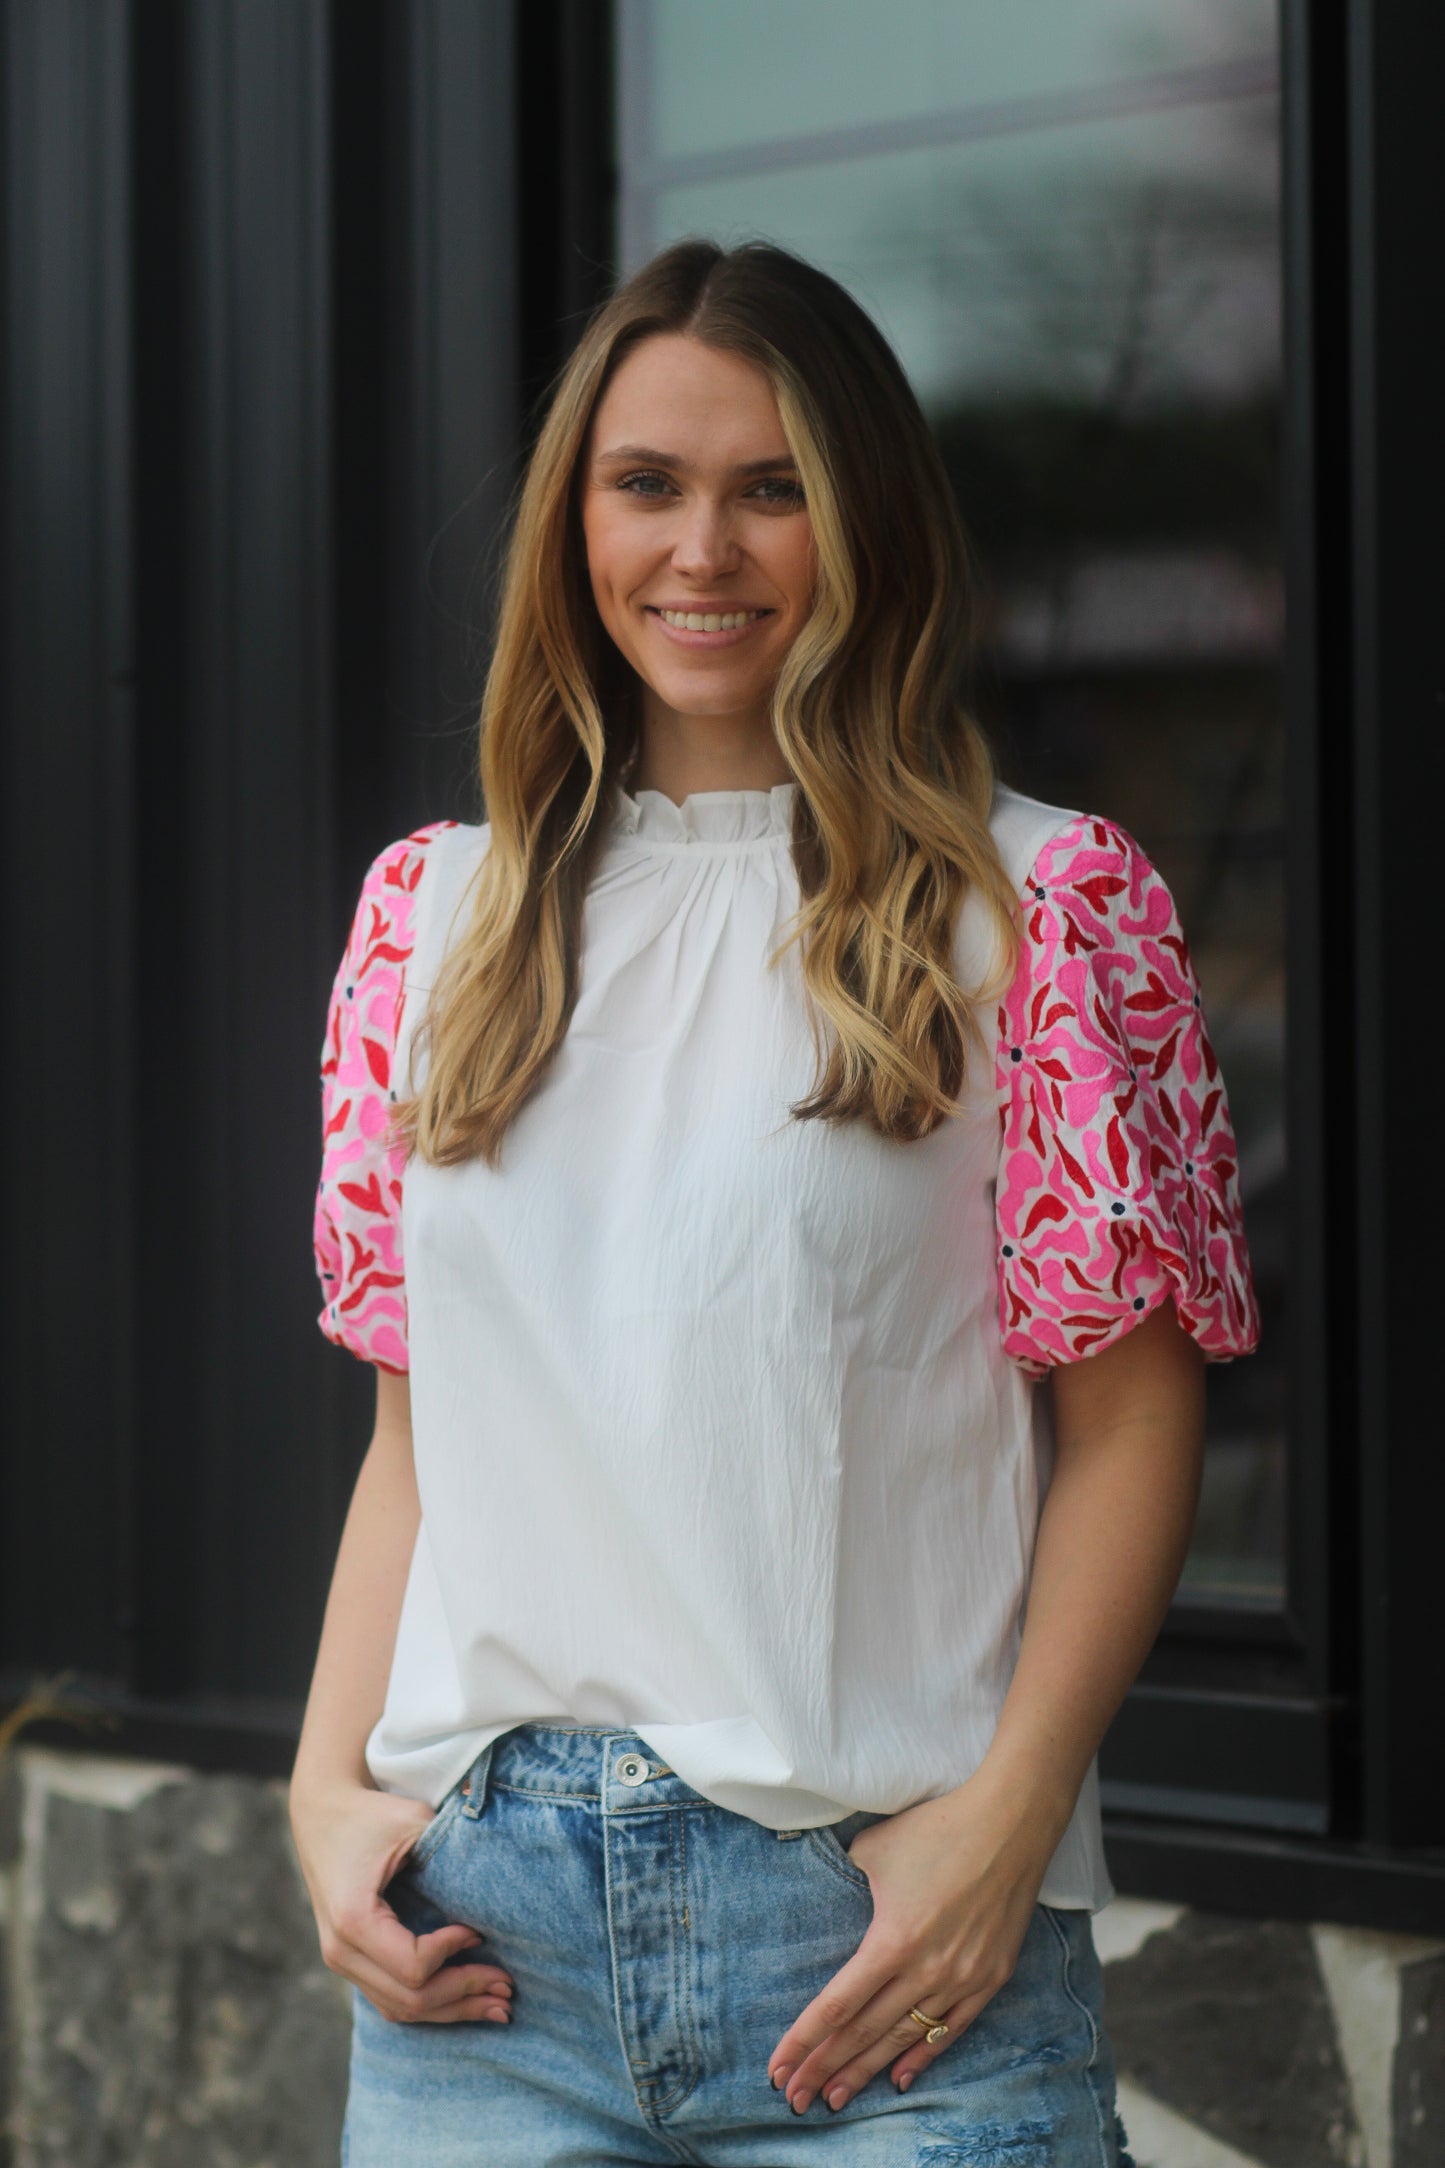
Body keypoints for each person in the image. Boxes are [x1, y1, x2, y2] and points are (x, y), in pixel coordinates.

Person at [290, 237, 1258, 2166]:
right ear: (576, 522)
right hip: (485, 1964)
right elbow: (422, 1430)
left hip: (886, 1964)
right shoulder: (433, 922)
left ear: (865, 516)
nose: (701, 553)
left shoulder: (1043, 909)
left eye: (773, 488)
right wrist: (323, 1796)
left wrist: (1002, 1830)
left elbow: (1133, 1416)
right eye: (646, 484)